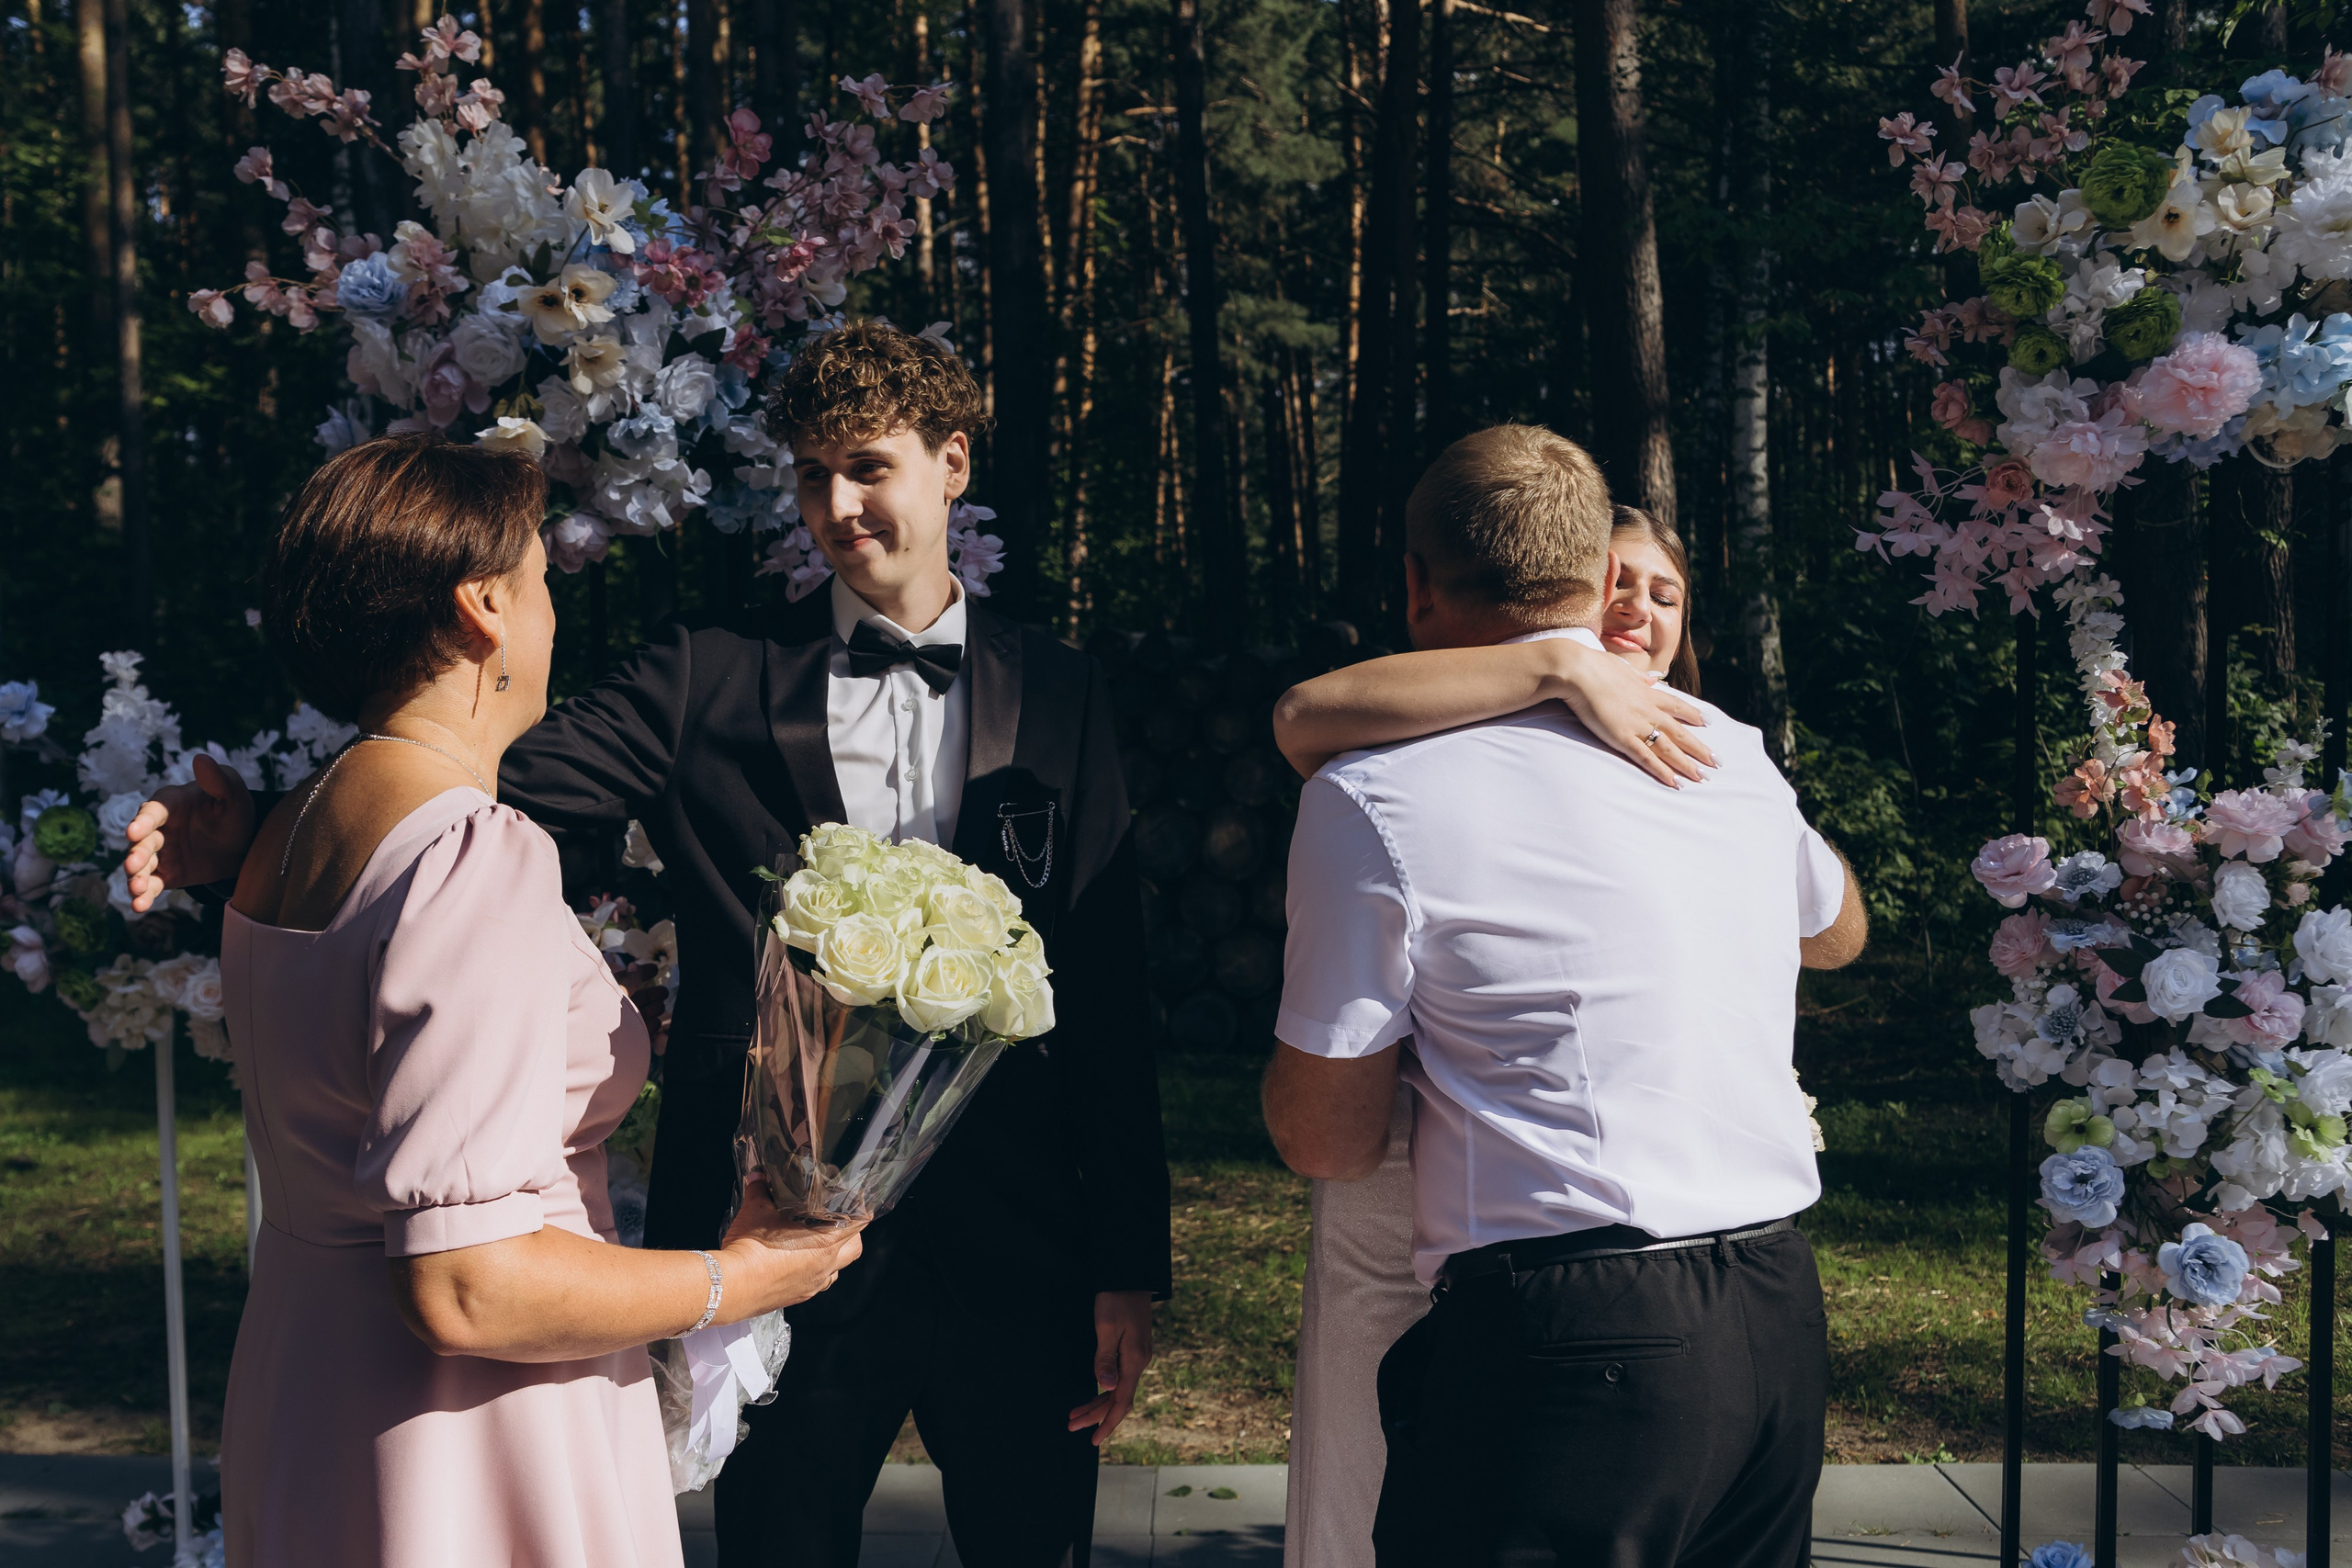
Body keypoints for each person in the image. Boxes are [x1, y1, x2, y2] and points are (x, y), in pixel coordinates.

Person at [126, 322, 1167, 1568]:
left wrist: (1127, 1261)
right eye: (809, 473)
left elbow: (1105, 984)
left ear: (951, 465)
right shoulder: (707, 676)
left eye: (869, 467)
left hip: (1020, 1235)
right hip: (748, 1220)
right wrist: (263, 825)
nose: (837, 506)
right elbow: (453, 798)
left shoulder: (1066, 692)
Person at [206, 435, 864, 1568]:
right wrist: (738, 1280)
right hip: (466, 1441)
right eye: (542, 578)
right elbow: (468, 1283)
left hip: (310, 1397)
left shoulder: (293, 825)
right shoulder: (471, 855)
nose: (553, 609)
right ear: (483, 609)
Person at [1263, 425, 1867, 1568]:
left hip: (1573, 1343)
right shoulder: (1724, 750)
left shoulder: (1375, 792)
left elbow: (1328, 1139)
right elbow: (1836, 929)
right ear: (1598, 587)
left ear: (1412, 586)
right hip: (1774, 1308)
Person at [1270, 502, 1713, 1568]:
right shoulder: (1445, 724)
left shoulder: (1710, 761)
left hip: (1620, 1221)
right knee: (1364, 1478)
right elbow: (1306, 713)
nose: (1637, 609)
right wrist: (1555, 675)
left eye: (1664, 593)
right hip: (1415, 1162)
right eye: (1615, 582)